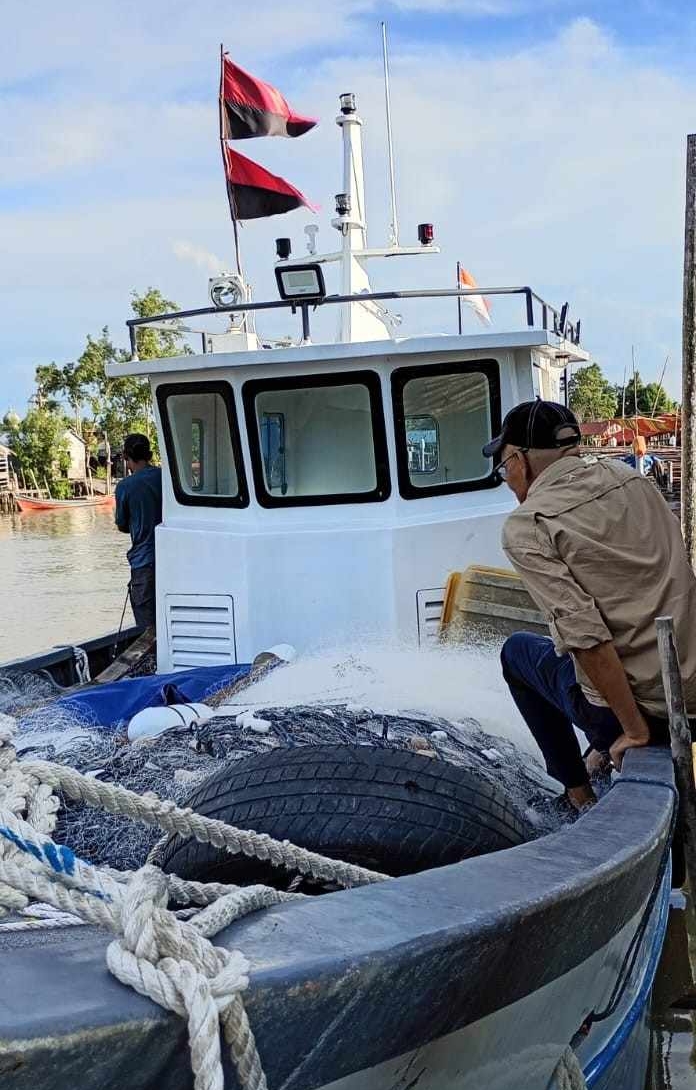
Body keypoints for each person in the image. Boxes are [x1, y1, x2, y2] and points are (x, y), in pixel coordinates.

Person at [483, 399, 696, 812]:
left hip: (646, 714)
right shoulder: (632, 480)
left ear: (520, 461)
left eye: (504, 467)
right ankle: (596, 757)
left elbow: (587, 637)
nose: (507, 479)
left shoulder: (528, 525)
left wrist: (634, 731)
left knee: (518, 653)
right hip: (692, 688)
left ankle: (577, 795)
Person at [115, 433, 162, 630]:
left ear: (127, 458)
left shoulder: (125, 486)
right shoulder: (165, 477)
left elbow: (122, 525)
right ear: (148, 454)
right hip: (173, 559)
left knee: (146, 629)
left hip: (144, 562)